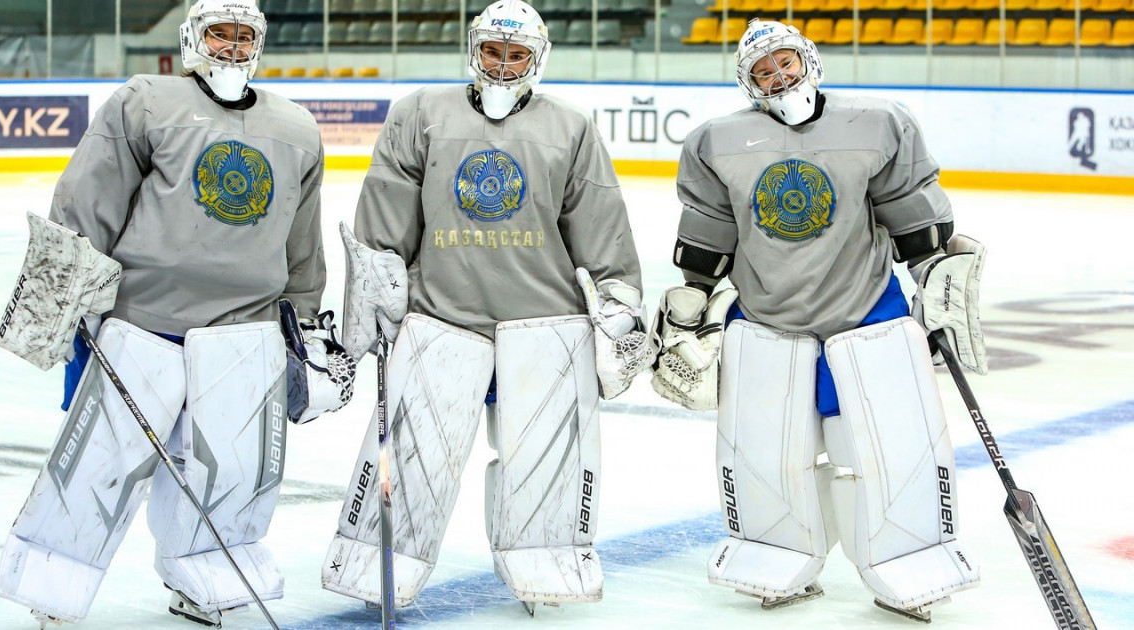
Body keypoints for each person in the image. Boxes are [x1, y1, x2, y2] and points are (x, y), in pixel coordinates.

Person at [0, 1, 354, 627]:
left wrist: (305, 326)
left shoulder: (296, 128)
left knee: (233, 473)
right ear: (193, 37)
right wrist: (63, 300)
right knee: (99, 463)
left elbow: (303, 245)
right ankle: (52, 581)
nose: (234, 49)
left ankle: (205, 573)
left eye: (247, 37)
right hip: (143, 321)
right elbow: (88, 200)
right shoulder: (147, 101)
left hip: (247, 334)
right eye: (221, 34)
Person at [650, 17, 988, 622]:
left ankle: (906, 557)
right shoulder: (715, 142)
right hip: (766, 316)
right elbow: (710, 226)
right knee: (767, 454)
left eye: (786, 62)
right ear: (747, 82)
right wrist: (693, 297)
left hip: (865, 309)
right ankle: (775, 550)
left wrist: (935, 274)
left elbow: (910, 209)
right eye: (763, 69)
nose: (779, 76)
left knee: (886, 447)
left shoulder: (878, 125)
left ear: (809, 60)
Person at [320, 0, 650, 614]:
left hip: (546, 325)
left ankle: (544, 557)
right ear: (473, 52)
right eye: (492, 52)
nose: (502, 65)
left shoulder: (571, 128)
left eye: (516, 53)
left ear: (537, 57)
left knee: (545, 461)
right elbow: (386, 211)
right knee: (417, 456)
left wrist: (617, 298)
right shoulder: (419, 114)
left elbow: (602, 223)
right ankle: (379, 560)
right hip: (443, 316)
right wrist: (375, 282)